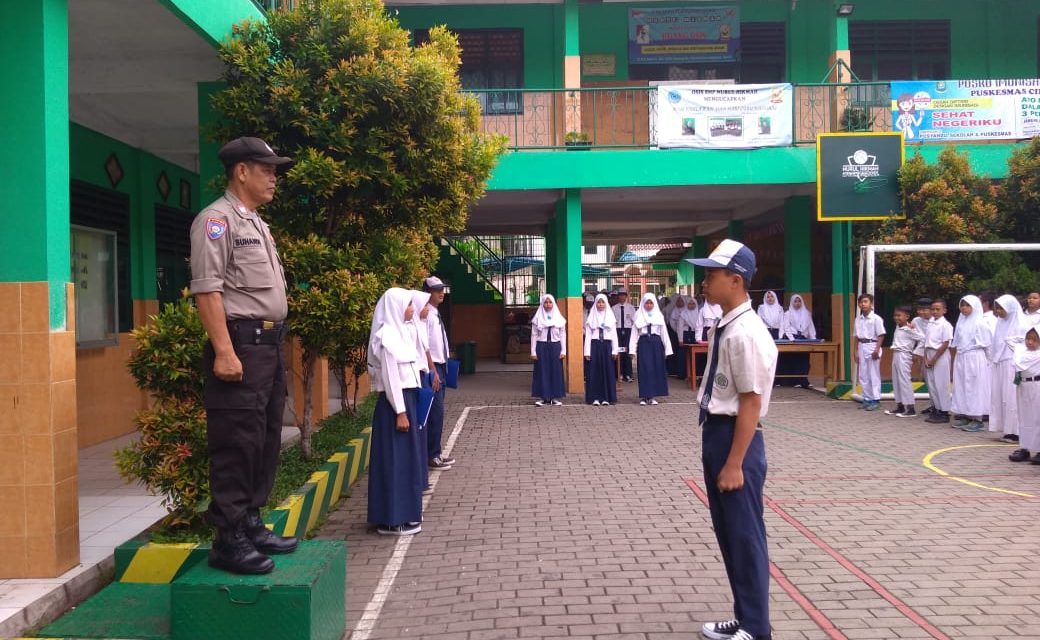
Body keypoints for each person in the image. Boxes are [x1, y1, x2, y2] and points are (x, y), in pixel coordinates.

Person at [190, 136, 298, 575]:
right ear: (241, 171)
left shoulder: (256, 223)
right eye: (267, 168)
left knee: (265, 435)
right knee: (236, 441)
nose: (274, 177)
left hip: (267, 346)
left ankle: (251, 521)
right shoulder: (216, 221)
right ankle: (228, 539)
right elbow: (208, 290)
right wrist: (224, 352)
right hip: (241, 344)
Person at [687, 240, 777, 640]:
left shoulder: (746, 334)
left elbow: (751, 403)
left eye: (711, 275)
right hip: (719, 435)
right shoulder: (727, 324)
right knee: (730, 535)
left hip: (735, 440)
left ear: (735, 280)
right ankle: (744, 617)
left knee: (745, 537)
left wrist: (735, 462)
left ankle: (757, 627)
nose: (703, 282)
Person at [366, 288, 424, 536]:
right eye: (409, 305)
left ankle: (402, 514)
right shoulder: (387, 337)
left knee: (404, 461)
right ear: (396, 307)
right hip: (395, 405)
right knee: (394, 461)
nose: (412, 309)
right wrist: (400, 411)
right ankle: (391, 519)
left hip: (405, 401)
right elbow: (390, 378)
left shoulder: (401, 333)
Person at [422, 277, 456, 471]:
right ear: (428, 292)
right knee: (435, 413)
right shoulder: (425, 314)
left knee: (439, 413)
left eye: (442, 289)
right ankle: (432, 455)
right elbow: (424, 345)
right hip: (433, 367)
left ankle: (435, 452)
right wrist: (433, 370)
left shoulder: (434, 313)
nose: (441, 293)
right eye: (436, 290)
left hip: (441, 366)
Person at [949, 295, 991, 432]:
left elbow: (987, 344)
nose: (964, 308)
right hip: (962, 357)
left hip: (975, 358)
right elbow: (958, 342)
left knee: (974, 387)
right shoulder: (961, 322)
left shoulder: (980, 323)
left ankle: (977, 419)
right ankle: (965, 414)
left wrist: (989, 362)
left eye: (967, 305)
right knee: (961, 386)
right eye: (962, 305)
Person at [989, 294, 1026, 446]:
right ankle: (1006, 429)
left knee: (1012, 398)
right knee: (1001, 397)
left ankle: (1017, 432)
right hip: (999, 363)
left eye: (1001, 308)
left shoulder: (1022, 324)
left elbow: (1025, 345)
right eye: (996, 307)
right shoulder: (1000, 323)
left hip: (1012, 364)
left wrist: (1010, 343)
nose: (998, 311)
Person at [630, 292, 672, 405]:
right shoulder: (638, 316)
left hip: (656, 343)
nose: (649, 305)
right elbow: (634, 334)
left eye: (651, 303)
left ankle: (653, 396)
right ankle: (644, 396)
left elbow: (664, 333)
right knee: (644, 369)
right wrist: (632, 350)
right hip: (644, 343)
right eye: (647, 303)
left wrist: (668, 349)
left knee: (655, 369)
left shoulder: (659, 316)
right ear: (643, 303)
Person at [885, 306, 924, 417]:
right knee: (896, 380)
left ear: (907, 317)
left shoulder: (909, 329)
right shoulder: (898, 326)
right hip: (896, 354)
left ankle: (910, 408)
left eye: (899, 315)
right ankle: (900, 406)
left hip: (904, 355)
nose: (896, 318)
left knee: (904, 380)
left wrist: (916, 352)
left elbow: (922, 339)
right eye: (895, 315)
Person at [531, 294, 567, 406]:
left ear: (553, 304)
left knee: (555, 371)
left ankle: (555, 397)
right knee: (542, 371)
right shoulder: (537, 318)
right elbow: (534, 335)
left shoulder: (559, 318)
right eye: (546, 302)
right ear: (542, 303)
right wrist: (533, 351)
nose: (548, 305)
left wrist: (563, 351)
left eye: (550, 302)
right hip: (541, 346)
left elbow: (562, 335)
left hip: (555, 346)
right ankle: (543, 397)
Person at [584, 293, 619, 406]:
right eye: (598, 302)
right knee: (594, 372)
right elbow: (588, 336)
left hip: (607, 346)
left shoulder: (610, 317)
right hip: (595, 346)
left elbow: (614, 335)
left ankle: (606, 397)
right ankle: (594, 397)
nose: (600, 304)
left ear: (606, 303)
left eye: (603, 302)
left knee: (607, 371)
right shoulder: (591, 318)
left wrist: (615, 350)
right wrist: (587, 352)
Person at [923, 299, 954, 424]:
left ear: (944, 310)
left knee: (941, 384)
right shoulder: (931, 323)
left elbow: (945, 343)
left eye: (938, 309)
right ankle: (936, 408)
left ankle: (944, 411)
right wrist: (926, 358)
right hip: (929, 353)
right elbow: (926, 342)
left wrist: (934, 359)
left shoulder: (945, 325)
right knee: (932, 383)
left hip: (939, 355)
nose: (934, 312)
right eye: (933, 309)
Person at [854, 294, 886, 411]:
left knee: (873, 374)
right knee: (863, 374)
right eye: (861, 302)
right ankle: (867, 399)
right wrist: (855, 351)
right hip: (862, 345)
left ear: (871, 304)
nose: (863, 304)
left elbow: (881, 335)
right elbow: (856, 336)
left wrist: (877, 349)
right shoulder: (858, 319)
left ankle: (876, 399)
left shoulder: (876, 319)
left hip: (872, 344)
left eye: (865, 302)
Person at [1012, 327, 1040, 464]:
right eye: (1028, 339)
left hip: (1036, 385)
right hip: (1023, 386)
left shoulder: (1037, 354)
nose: (1030, 342)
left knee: (1037, 418)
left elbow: (1019, 364)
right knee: (1024, 418)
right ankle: (1025, 448)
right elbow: (1009, 340)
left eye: (1034, 340)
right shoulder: (1021, 352)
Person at [779, 294, 816, 388]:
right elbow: (786, 327)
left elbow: (810, 327)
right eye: (795, 301)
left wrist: (813, 338)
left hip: (803, 339)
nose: (797, 303)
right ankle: (793, 382)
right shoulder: (788, 313)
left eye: (799, 301)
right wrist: (792, 339)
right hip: (792, 338)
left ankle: (803, 381)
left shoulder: (807, 313)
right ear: (792, 302)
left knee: (804, 361)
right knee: (792, 360)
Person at [613, 289, 637, 382]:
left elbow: (634, 321)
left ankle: (628, 374)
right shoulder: (614, 308)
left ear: (626, 296)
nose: (622, 297)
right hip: (618, 331)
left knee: (627, 352)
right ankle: (620, 374)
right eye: (620, 295)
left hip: (628, 331)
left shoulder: (631, 308)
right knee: (619, 352)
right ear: (618, 296)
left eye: (624, 295)